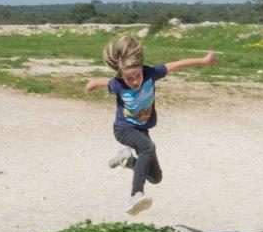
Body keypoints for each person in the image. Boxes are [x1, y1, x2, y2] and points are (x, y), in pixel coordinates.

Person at [85, 34, 215, 215]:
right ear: (121, 75)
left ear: (141, 68)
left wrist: (203, 60)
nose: (136, 81)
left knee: (156, 177)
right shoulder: (118, 84)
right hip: (123, 129)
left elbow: (176, 64)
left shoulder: (151, 74)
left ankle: (128, 160)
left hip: (141, 129)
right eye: (129, 78)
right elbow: (106, 82)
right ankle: (135, 195)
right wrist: (93, 83)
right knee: (147, 147)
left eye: (137, 75)